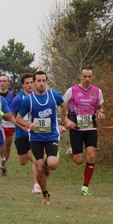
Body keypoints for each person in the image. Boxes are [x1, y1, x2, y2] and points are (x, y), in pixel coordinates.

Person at [16, 71, 66, 204]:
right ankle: (45, 193)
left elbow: (63, 105)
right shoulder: (28, 100)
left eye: (44, 80)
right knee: (38, 166)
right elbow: (18, 118)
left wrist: (63, 121)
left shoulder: (53, 95)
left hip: (51, 136)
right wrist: (28, 125)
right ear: (34, 82)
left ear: (46, 81)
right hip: (36, 138)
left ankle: (47, 164)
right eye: (38, 81)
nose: (41, 83)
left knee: (53, 164)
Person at [62, 68, 105, 196]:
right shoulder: (72, 90)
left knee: (91, 155)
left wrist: (101, 112)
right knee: (78, 160)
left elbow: (99, 107)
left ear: (93, 77)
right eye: (85, 76)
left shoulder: (97, 91)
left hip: (91, 128)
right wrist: (66, 120)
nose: (87, 79)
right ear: (80, 77)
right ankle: (72, 151)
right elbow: (61, 106)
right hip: (76, 128)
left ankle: (85, 187)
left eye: (89, 76)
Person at [10, 73, 42, 194]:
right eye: (27, 83)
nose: (30, 85)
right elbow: (10, 115)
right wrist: (21, 125)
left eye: (31, 82)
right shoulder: (18, 99)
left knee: (35, 157)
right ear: (23, 85)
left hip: (35, 134)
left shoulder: (40, 97)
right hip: (21, 134)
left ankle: (36, 185)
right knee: (23, 161)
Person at [0, 75, 17, 176]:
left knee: (8, 146)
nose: (2, 83)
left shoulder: (13, 95)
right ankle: (2, 158)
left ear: (8, 83)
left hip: (10, 123)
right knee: (2, 142)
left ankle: (5, 164)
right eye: (1, 81)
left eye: (5, 81)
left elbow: (15, 109)